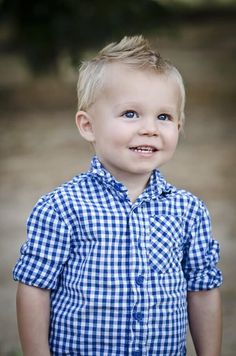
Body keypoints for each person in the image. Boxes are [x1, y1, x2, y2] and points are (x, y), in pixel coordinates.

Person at [13, 35, 223, 356]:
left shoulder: (188, 210)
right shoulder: (62, 207)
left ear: (179, 128)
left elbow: (203, 291)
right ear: (88, 126)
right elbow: (35, 288)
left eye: (164, 117)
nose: (150, 128)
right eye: (130, 114)